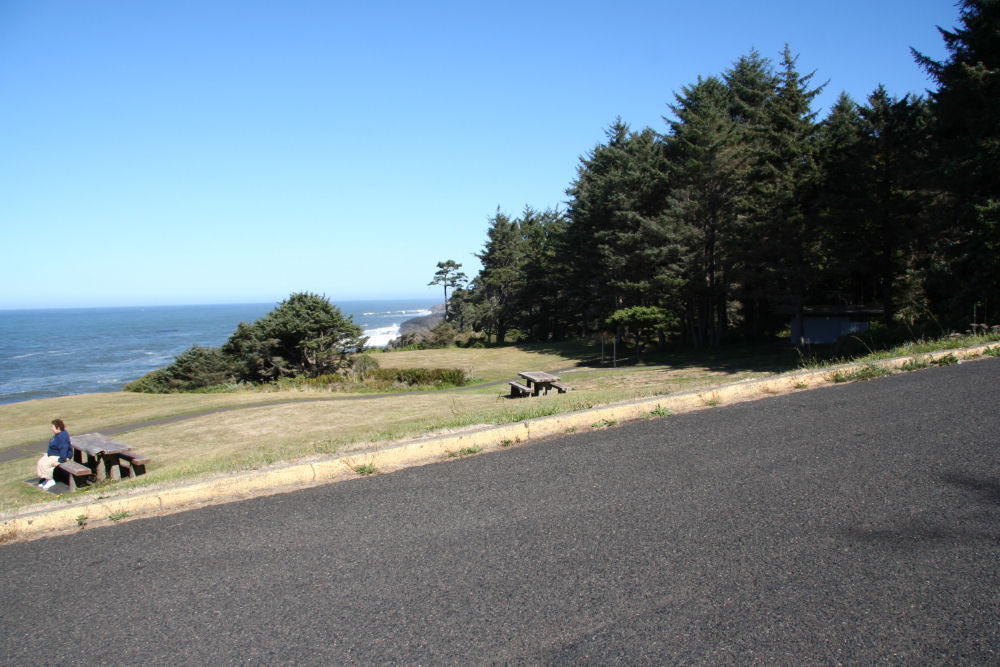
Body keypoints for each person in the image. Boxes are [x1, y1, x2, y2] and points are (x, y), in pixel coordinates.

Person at [36, 419, 72, 491]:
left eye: (52, 427)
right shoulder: (58, 434)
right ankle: (46, 478)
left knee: (45, 465)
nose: (51, 428)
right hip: (52, 454)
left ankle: (51, 480)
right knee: (40, 463)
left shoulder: (62, 437)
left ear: (58, 428)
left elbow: (64, 450)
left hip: (59, 456)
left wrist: (60, 461)